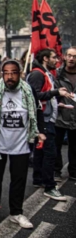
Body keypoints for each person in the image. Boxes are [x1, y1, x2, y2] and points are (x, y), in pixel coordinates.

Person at [0, 60, 46, 228]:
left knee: (19, 179)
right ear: (2, 74)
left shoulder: (28, 90)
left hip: (21, 144)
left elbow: (37, 110)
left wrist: (40, 131)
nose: (10, 76)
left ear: (20, 73)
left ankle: (16, 213)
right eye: (6, 73)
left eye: (14, 72)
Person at [27, 48, 72, 201]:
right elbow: (34, 96)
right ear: (45, 58)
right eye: (54, 57)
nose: (57, 60)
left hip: (46, 117)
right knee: (50, 153)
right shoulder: (37, 74)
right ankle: (49, 186)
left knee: (41, 151)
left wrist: (57, 104)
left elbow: (43, 97)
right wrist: (56, 93)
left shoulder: (44, 73)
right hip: (43, 120)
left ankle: (39, 179)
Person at [55, 47, 76, 181]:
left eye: (74, 56)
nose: (71, 59)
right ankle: (56, 170)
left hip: (75, 116)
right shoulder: (57, 73)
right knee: (56, 146)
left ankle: (73, 171)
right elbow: (51, 91)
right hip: (60, 115)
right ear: (64, 57)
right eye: (69, 55)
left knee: (74, 147)